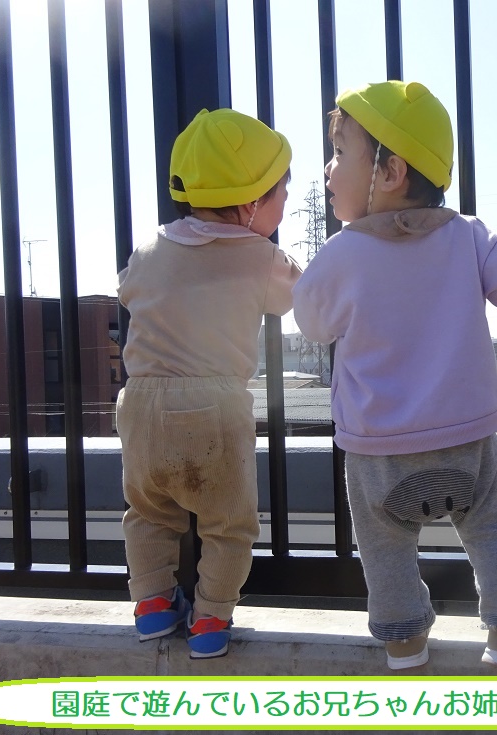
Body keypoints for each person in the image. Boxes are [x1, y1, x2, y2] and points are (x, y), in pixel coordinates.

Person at [292, 80, 497, 670]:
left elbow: (312, 322)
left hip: (377, 451)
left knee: (383, 547)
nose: (329, 168)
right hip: (466, 441)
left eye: (340, 153)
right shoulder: (468, 236)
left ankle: (403, 639)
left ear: (390, 171)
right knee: (493, 529)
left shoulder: (341, 253)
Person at [117, 108, 301, 659]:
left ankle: (153, 606)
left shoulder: (149, 249)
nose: (286, 202)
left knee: (148, 513)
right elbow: (298, 297)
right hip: (213, 405)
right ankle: (211, 620)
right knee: (228, 524)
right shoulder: (260, 256)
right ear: (251, 204)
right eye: (282, 192)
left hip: (140, 403)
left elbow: (127, 289)